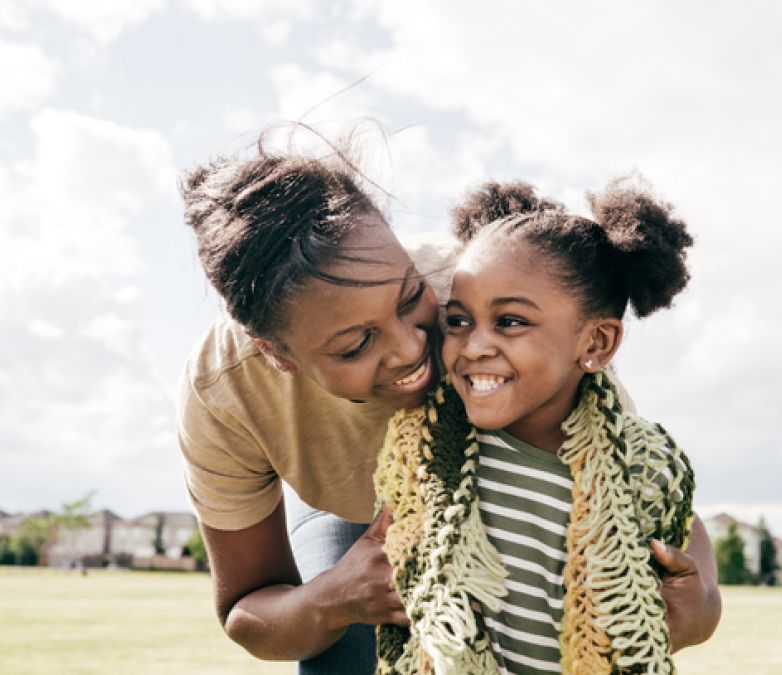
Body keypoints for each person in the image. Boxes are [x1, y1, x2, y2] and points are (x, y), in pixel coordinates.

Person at [176, 143, 720, 674]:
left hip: (482, 513)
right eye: (354, 345)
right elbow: (247, 610)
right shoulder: (225, 389)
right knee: (343, 652)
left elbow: (632, 484)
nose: (413, 349)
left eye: (411, 298)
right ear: (277, 354)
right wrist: (334, 599)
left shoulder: (484, 298)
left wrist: (702, 602)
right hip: (345, 513)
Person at [374, 180, 709, 674]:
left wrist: (705, 603)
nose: (473, 346)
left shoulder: (637, 461)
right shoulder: (425, 453)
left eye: (509, 322)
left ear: (596, 342)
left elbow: (685, 535)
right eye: (460, 320)